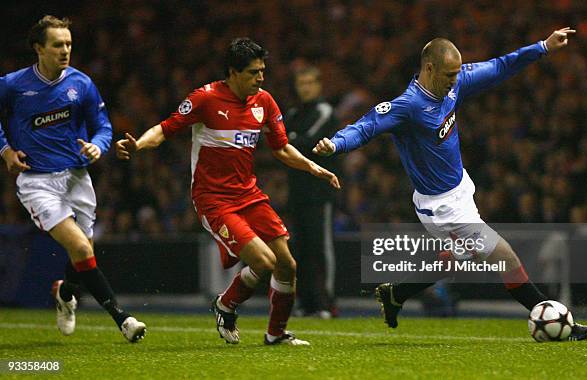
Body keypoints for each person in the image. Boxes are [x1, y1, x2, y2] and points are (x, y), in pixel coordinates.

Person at [313, 28, 587, 340]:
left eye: (457, 73)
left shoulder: (453, 84)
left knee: (457, 259)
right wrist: (336, 144)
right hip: (441, 207)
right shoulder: (408, 106)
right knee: (506, 256)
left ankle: (397, 293)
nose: (454, 79)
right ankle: (555, 320)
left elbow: (501, 66)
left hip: (461, 189)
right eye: (449, 74)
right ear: (429, 68)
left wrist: (542, 46)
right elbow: (367, 126)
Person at [116, 38, 340, 346]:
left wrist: (313, 168)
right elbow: (164, 129)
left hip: (249, 194)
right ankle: (225, 305)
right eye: (252, 72)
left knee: (287, 263)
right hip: (214, 199)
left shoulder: (264, 101)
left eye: (262, 71)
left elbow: (282, 148)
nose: (260, 78)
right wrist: (138, 144)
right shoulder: (205, 99)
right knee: (263, 261)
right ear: (233, 72)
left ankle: (276, 334)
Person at [0, 15, 146, 342]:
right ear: (39, 48)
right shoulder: (12, 85)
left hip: (78, 178)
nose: (65, 50)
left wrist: (98, 145)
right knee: (80, 247)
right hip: (38, 182)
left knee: (83, 254)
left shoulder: (81, 84)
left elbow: (104, 126)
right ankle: (123, 319)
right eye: (57, 45)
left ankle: (65, 293)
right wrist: (6, 151)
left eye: (68, 44)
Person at [285, 66, 339, 318]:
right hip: (297, 192)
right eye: (301, 82)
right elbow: (281, 143)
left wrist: (290, 140)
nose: (305, 87)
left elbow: (308, 143)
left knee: (320, 248)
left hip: (319, 194)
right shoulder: (294, 113)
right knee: (301, 249)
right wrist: (290, 141)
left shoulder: (324, 111)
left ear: (318, 85)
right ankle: (306, 303)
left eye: (309, 82)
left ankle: (326, 303)